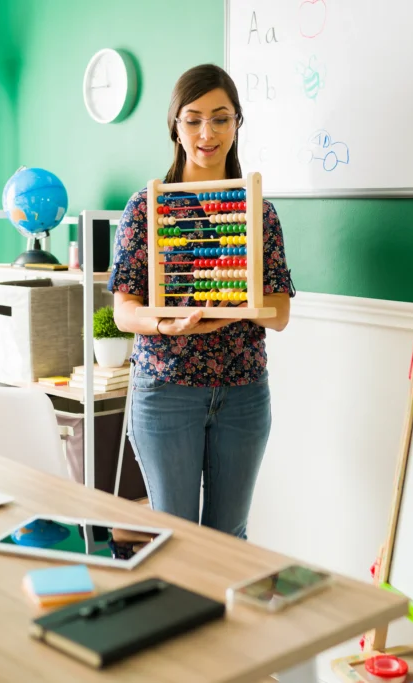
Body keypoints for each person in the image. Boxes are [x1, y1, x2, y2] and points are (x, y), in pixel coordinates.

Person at [108, 64, 295, 540]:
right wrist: (165, 324)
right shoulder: (146, 208)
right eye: (192, 119)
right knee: (175, 540)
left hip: (244, 391)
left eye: (220, 118)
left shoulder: (259, 212)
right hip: (166, 390)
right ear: (175, 125)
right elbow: (124, 310)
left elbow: (279, 313)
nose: (206, 133)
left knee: (229, 538)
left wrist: (225, 316)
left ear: (237, 123)